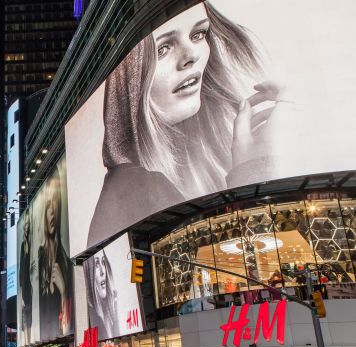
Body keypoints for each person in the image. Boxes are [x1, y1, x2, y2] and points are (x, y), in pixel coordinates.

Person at [87, 2, 284, 249]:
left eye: (198, 35)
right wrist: (255, 170)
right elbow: (243, 258)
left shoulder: (210, 151)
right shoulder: (133, 187)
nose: (191, 56)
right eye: (163, 49)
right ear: (131, 80)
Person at [38, 172, 73, 338]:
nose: (51, 211)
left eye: (55, 203)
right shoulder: (40, 258)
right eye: (48, 205)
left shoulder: (67, 263)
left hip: (64, 337)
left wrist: (64, 290)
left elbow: (69, 325)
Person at [84, 249, 121, 338]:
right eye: (96, 264)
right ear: (89, 274)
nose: (102, 272)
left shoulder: (111, 313)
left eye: (103, 262)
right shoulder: (90, 316)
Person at [19, 211, 33, 344]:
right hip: (25, 284)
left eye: (28, 224)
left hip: (31, 282)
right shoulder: (23, 244)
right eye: (25, 225)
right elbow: (21, 268)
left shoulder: (31, 242)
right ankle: (27, 342)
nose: (27, 227)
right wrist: (21, 286)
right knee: (26, 314)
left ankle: (29, 341)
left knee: (30, 314)